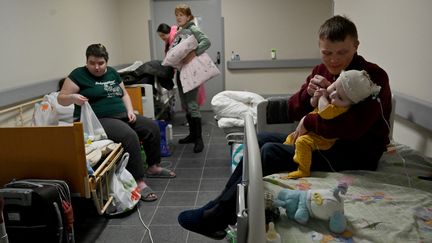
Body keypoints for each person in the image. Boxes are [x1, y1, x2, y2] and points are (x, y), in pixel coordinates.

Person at [177, 15, 392, 239]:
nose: (334, 61)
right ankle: (217, 205)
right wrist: (307, 94)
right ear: (320, 47)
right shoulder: (323, 70)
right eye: (327, 53)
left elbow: (352, 128)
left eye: (342, 53)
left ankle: (216, 216)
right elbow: (293, 108)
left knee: (269, 152)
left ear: (356, 46)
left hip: (355, 152)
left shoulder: (371, 78)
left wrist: (309, 121)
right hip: (321, 142)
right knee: (260, 140)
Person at [58, 44, 176, 202]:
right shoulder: (78, 75)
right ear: (87, 61)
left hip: (122, 115)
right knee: (130, 136)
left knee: (151, 126)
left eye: (100, 63)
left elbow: (124, 94)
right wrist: (73, 98)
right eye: (92, 63)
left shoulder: (113, 73)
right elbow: (61, 98)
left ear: (106, 61)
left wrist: (129, 110)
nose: (96, 67)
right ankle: (139, 182)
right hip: (98, 120)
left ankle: (153, 167)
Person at [283, 69, 381, 179]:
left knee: (301, 142)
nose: (333, 95)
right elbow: (313, 104)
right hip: (313, 131)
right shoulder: (334, 96)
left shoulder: (339, 108)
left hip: (323, 140)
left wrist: (322, 97)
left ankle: (303, 170)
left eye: (340, 97)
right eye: (334, 87)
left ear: (350, 104)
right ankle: (289, 150)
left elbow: (324, 112)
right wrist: (315, 96)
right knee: (290, 138)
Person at [171, 4, 211, 153]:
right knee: (186, 105)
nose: (178, 17)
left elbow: (206, 42)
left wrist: (194, 54)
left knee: (192, 104)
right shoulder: (180, 31)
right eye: (177, 15)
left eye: (181, 15)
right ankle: (192, 135)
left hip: (191, 71)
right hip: (181, 72)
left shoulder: (193, 28)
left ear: (188, 16)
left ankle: (199, 139)